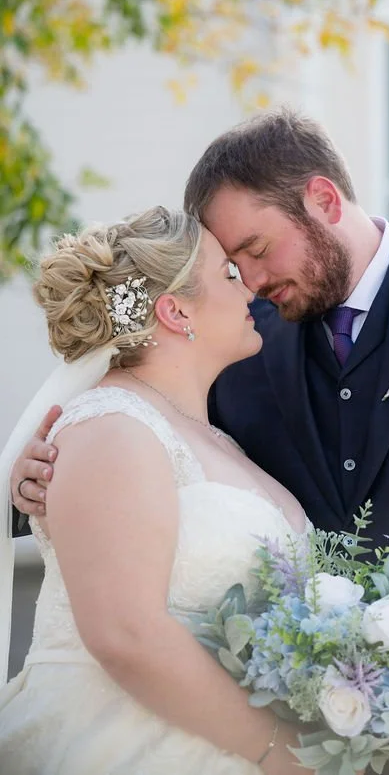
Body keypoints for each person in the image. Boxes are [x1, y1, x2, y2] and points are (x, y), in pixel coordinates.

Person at [11, 108, 389, 775]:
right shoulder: (239, 342)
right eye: (233, 265)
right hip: (312, 728)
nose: (254, 280)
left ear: (323, 199)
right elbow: (148, 465)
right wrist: (34, 476)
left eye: (256, 250)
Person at [0, 206, 312, 774]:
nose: (251, 292)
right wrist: (281, 752)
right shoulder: (112, 426)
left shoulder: (213, 437)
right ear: (173, 310)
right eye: (228, 275)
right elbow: (125, 633)